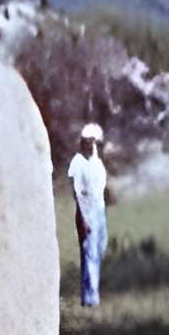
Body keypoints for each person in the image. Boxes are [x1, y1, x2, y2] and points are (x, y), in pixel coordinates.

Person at [66, 122, 109, 309]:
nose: (92, 145)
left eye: (95, 142)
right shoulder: (78, 162)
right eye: (89, 141)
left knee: (99, 248)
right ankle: (90, 297)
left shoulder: (97, 163)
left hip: (99, 209)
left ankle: (91, 293)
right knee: (90, 252)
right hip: (87, 209)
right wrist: (83, 218)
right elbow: (78, 193)